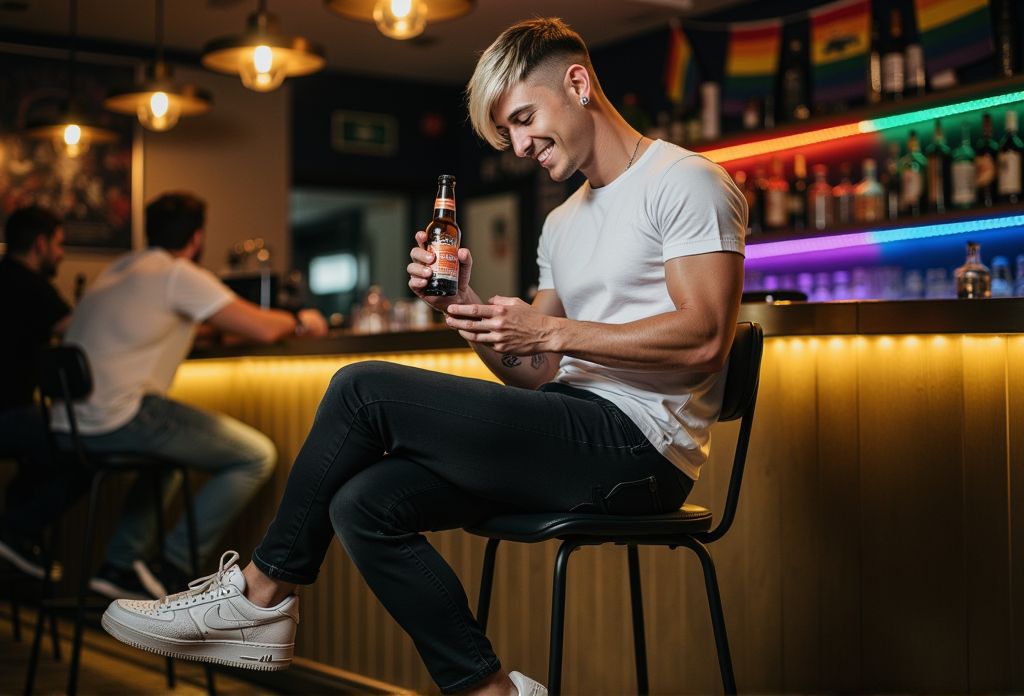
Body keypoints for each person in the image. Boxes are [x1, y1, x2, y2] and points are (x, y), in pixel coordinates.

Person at [101, 18, 746, 696]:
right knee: (362, 503)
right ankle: (489, 691)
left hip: (643, 452)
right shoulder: (562, 221)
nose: (520, 145)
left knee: (361, 390)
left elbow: (706, 339)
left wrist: (552, 332)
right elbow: (536, 375)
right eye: (507, 133)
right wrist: (462, 305)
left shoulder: (685, 181)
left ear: (578, 83)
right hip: (571, 427)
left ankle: (260, 595)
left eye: (524, 119)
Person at [50, 191, 328, 601]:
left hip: (68, 424)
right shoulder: (177, 273)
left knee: (169, 456)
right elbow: (265, 328)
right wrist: (302, 320)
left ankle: (120, 567)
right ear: (197, 238)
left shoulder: (120, 269)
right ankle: (172, 566)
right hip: (120, 416)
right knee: (255, 456)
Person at [0, 206, 75, 578]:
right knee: (82, 452)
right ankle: (14, 532)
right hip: (8, 414)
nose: (61, 254)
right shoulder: (30, 286)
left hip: (11, 416)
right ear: (41, 244)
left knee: (40, 456)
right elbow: (77, 331)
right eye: (58, 244)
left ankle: (16, 544)